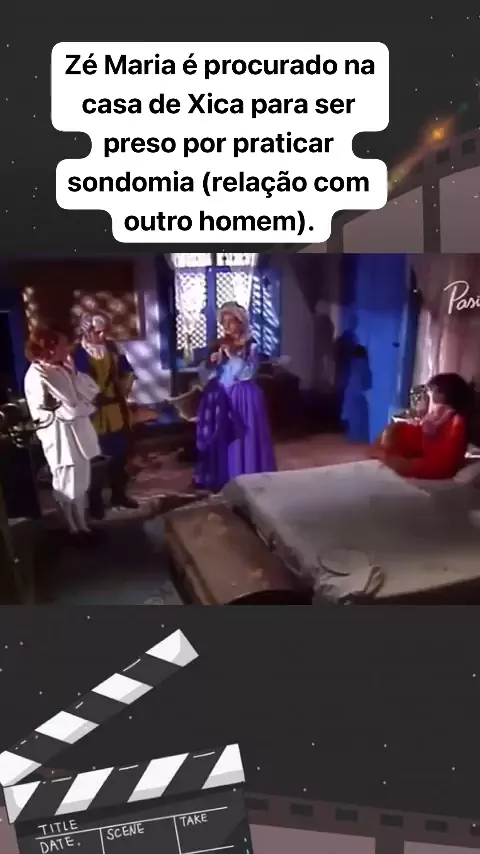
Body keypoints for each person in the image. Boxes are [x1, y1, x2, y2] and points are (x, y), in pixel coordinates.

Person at [23, 328, 101, 539]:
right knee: (66, 482)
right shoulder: (37, 374)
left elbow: (92, 390)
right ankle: (72, 527)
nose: (67, 349)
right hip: (60, 438)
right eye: (62, 345)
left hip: (79, 433)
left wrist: (74, 373)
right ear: (49, 347)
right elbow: (59, 410)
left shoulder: (63, 369)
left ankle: (83, 525)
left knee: (81, 481)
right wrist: (81, 408)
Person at [194, 301, 276, 492]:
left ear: (241, 323)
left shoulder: (251, 345)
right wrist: (211, 363)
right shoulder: (218, 344)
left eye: (231, 322)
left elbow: (248, 373)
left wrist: (232, 356)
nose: (226, 326)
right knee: (224, 439)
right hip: (222, 398)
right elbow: (205, 375)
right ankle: (224, 478)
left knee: (243, 440)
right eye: (223, 322)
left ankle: (248, 477)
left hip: (244, 399)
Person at [72, 313, 138, 518]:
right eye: (98, 332)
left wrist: (124, 386)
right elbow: (75, 381)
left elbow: (128, 371)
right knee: (95, 459)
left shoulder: (114, 348)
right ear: (87, 331)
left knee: (119, 456)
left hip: (115, 410)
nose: (103, 336)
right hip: (92, 414)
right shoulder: (77, 353)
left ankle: (119, 495)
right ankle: (95, 502)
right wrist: (91, 397)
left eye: (105, 331)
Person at [373, 372, 472, 479]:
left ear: (444, 396)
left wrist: (427, 435)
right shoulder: (440, 417)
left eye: (431, 397)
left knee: (392, 438)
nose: (429, 404)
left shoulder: (456, 423)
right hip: (418, 454)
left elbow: (442, 462)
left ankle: (385, 456)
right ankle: (383, 454)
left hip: (432, 464)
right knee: (392, 432)